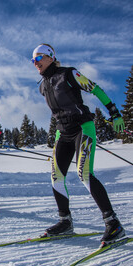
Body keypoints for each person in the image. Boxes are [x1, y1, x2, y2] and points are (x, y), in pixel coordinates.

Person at [31, 43, 125, 245]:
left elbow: (95, 88)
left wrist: (114, 112)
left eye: (38, 58)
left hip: (82, 128)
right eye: (33, 60)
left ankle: (113, 223)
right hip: (62, 134)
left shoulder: (69, 74)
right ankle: (65, 222)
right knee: (56, 177)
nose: (35, 63)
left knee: (84, 174)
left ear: (50, 57)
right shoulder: (42, 86)